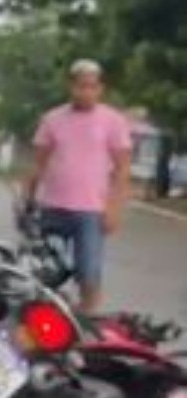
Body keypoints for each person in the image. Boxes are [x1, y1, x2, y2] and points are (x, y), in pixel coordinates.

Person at [25, 59, 134, 314]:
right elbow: (38, 165)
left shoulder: (113, 121)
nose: (85, 92)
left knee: (89, 272)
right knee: (46, 272)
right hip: (53, 208)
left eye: (91, 86)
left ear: (100, 89)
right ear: (70, 86)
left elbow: (122, 169)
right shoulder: (52, 119)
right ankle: (43, 325)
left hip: (91, 212)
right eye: (79, 86)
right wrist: (27, 200)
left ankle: (85, 325)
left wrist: (114, 209)